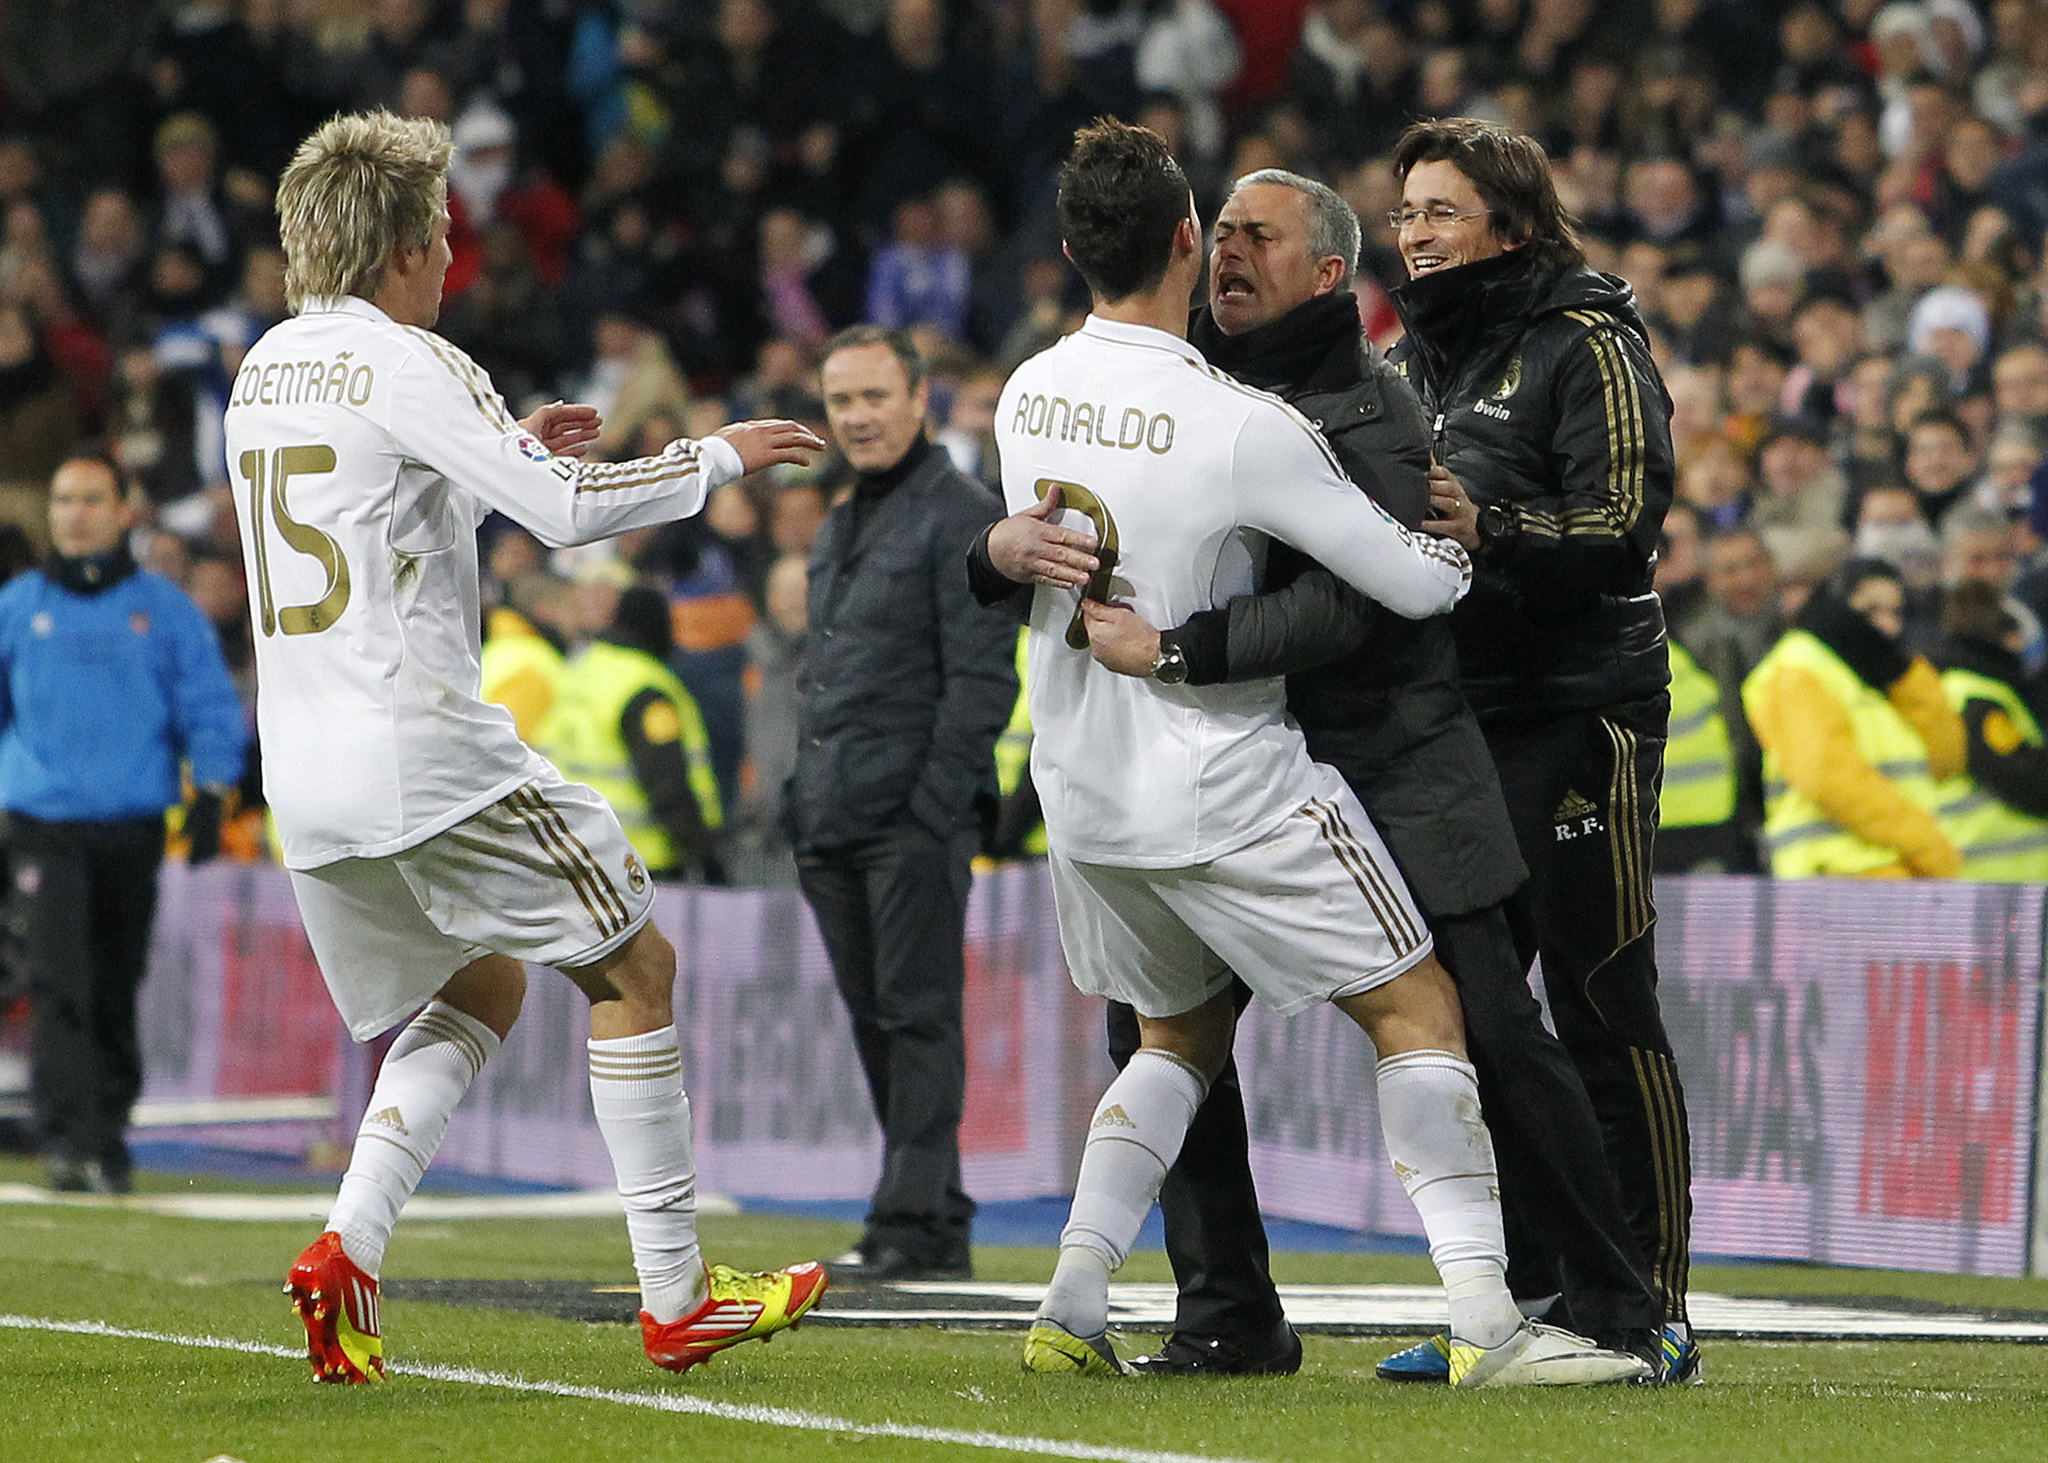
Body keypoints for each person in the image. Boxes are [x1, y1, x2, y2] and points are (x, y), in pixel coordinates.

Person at [982, 118, 1646, 1389]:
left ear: (1072, 249)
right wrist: (1461, 546)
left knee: (1178, 1039)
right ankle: (1468, 1322)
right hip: (1227, 777)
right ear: (1181, 241)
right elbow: (1405, 580)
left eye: (1259, 234)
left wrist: (1020, 568)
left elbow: (1025, 545)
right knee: (1416, 1013)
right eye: (1218, 230)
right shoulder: (1233, 417)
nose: (1229, 249)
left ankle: (1072, 1298)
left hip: (1119, 785)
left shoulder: (1026, 388)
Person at [226, 110, 827, 1384]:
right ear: (396, 245)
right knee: (636, 968)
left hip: (308, 776)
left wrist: (487, 456)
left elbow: (370, 499)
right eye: (439, 230)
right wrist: (713, 454)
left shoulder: (260, 371)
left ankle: (347, 1246)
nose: (452, 254)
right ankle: (677, 1297)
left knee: (486, 980)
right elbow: (560, 518)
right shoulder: (413, 361)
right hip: (423, 751)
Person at [1387, 117, 1700, 1379]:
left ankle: (1645, 1299)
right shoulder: (1415, 356)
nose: (1413, 232)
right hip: (1461, 712)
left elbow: (1629, 522)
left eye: (1441, 211)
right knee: (1472, 1014)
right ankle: (1514, 1302)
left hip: (1584, 701)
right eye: (1405, 211)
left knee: (1597, 988)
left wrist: (1491, 523)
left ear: (1509, 224)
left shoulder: (1588, 338)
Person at [790, 324, 1018, 1282]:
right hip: (833, 818)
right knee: (879, 1019)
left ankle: (908, 1218)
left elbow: (980, 680)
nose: (857, 416)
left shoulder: (962, 511)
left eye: (874, 396)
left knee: (917, 1016)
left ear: (918, 397)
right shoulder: (841, 521)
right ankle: (934, 1213)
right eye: (841, 400)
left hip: (908, 819)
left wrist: (933, 808)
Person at [0, 455, 246, 1193]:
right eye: (64, 499)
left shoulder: (164, 612)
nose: (75, 512)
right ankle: (70, 1136)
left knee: (115, 979)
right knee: (60, 977)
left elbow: (206, 702)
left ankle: (107, 1134)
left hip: (133, 822)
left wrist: (213, 790)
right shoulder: (16, 605)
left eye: (91, 499)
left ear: (122, 512)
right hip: (44, 823)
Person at [1742, 559, 1965, 879]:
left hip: (1895, 874)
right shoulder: (1800, 668)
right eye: (1871, 611)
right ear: (1837, 606)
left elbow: (1947, 759)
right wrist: (1927, 844)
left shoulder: (1880, 677)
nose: (1888, 626)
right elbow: (1828, 776)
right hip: (1836, 878)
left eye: (1896, 612)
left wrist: (1904, 675)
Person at [540, 586, 724, 882]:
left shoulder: (583, 668)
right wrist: (702, 853)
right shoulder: (644, 686)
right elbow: (665, 779)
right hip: (642, 861)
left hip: (578, 848)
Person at [1932, 580, 2048, 880]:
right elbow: (2023, 777)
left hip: (1998, 877)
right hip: (1998, 877)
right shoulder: (1978, 697)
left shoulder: (1962, 685)